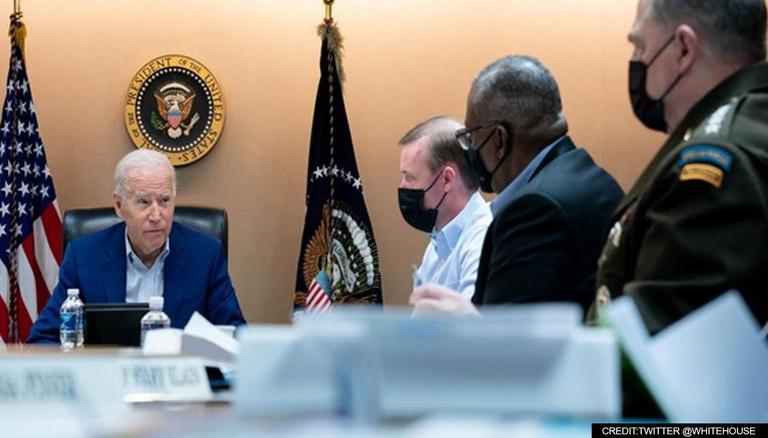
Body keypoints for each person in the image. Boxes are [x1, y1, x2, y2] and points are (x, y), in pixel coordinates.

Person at [592, 0, 768, 334]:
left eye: (640, 45)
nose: (637, 60)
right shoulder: (753, 121)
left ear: (684, 49)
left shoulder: (713, 164)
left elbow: (655, 346)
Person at [410, 55, 623, 316]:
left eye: (471, 137)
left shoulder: (534, 210)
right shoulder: (590, 177)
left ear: (499, 140)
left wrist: (465, 321)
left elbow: (509, 337)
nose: (469, 149)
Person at [27, 149, 245, 343]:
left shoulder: (205, 255)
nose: (156, 215)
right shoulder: (84, 256)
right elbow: (43, 338)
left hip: (179, 374)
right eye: (144, 202)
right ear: (119, 205)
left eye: (164, 200)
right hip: (109, 374)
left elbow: (236, 336)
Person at [398, 116, 492, 300]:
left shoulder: (482, 241)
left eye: (409, 177)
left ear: (447, 179)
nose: (402, 187)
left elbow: (473, 317)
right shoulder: (439, 242)